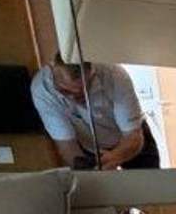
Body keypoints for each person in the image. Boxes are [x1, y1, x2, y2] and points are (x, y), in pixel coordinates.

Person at [30, 57, 161, 169]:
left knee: (150, 185)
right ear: (53, 69)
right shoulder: (42, 90)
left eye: (83, 92)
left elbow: (133, 135)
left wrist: (114, 158)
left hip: (130, 140)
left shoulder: (115, 75)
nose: (74, 98)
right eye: (66, 91)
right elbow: (67, 146)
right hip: (88, 146)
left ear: (93, 73)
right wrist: (87, 170)